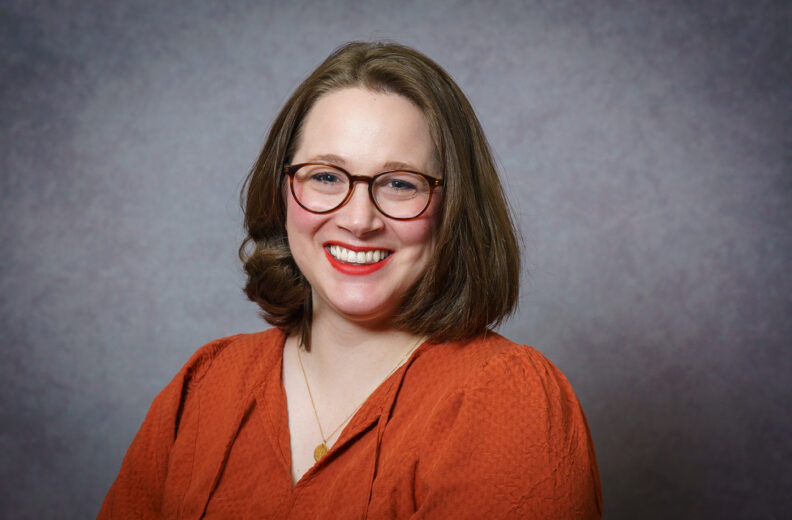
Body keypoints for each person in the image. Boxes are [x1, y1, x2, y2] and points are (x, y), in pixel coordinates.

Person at [98, 41, 602, 519]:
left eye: (401, 183)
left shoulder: (507, 402)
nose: (359, 220)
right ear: (283, 191)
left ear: (453, 208)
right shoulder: (206, 386)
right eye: (325, 176)